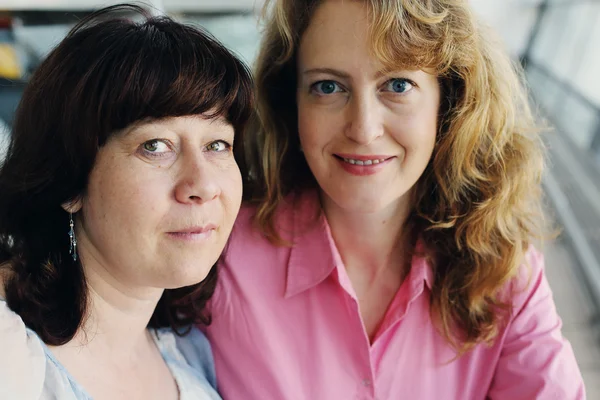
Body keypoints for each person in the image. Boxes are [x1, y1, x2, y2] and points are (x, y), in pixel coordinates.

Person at [202, 0, 586, 399]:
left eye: (398, 85)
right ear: (291, 103)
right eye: (328, 87)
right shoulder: (218, 252)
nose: (364, 129)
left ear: (448, 102)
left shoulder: (502, 271)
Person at [0, 4, 252, 399]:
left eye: (217, 144)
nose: (203, 184)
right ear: (70, 182)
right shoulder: (12, 359)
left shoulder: (192, 356)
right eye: (155, 146)